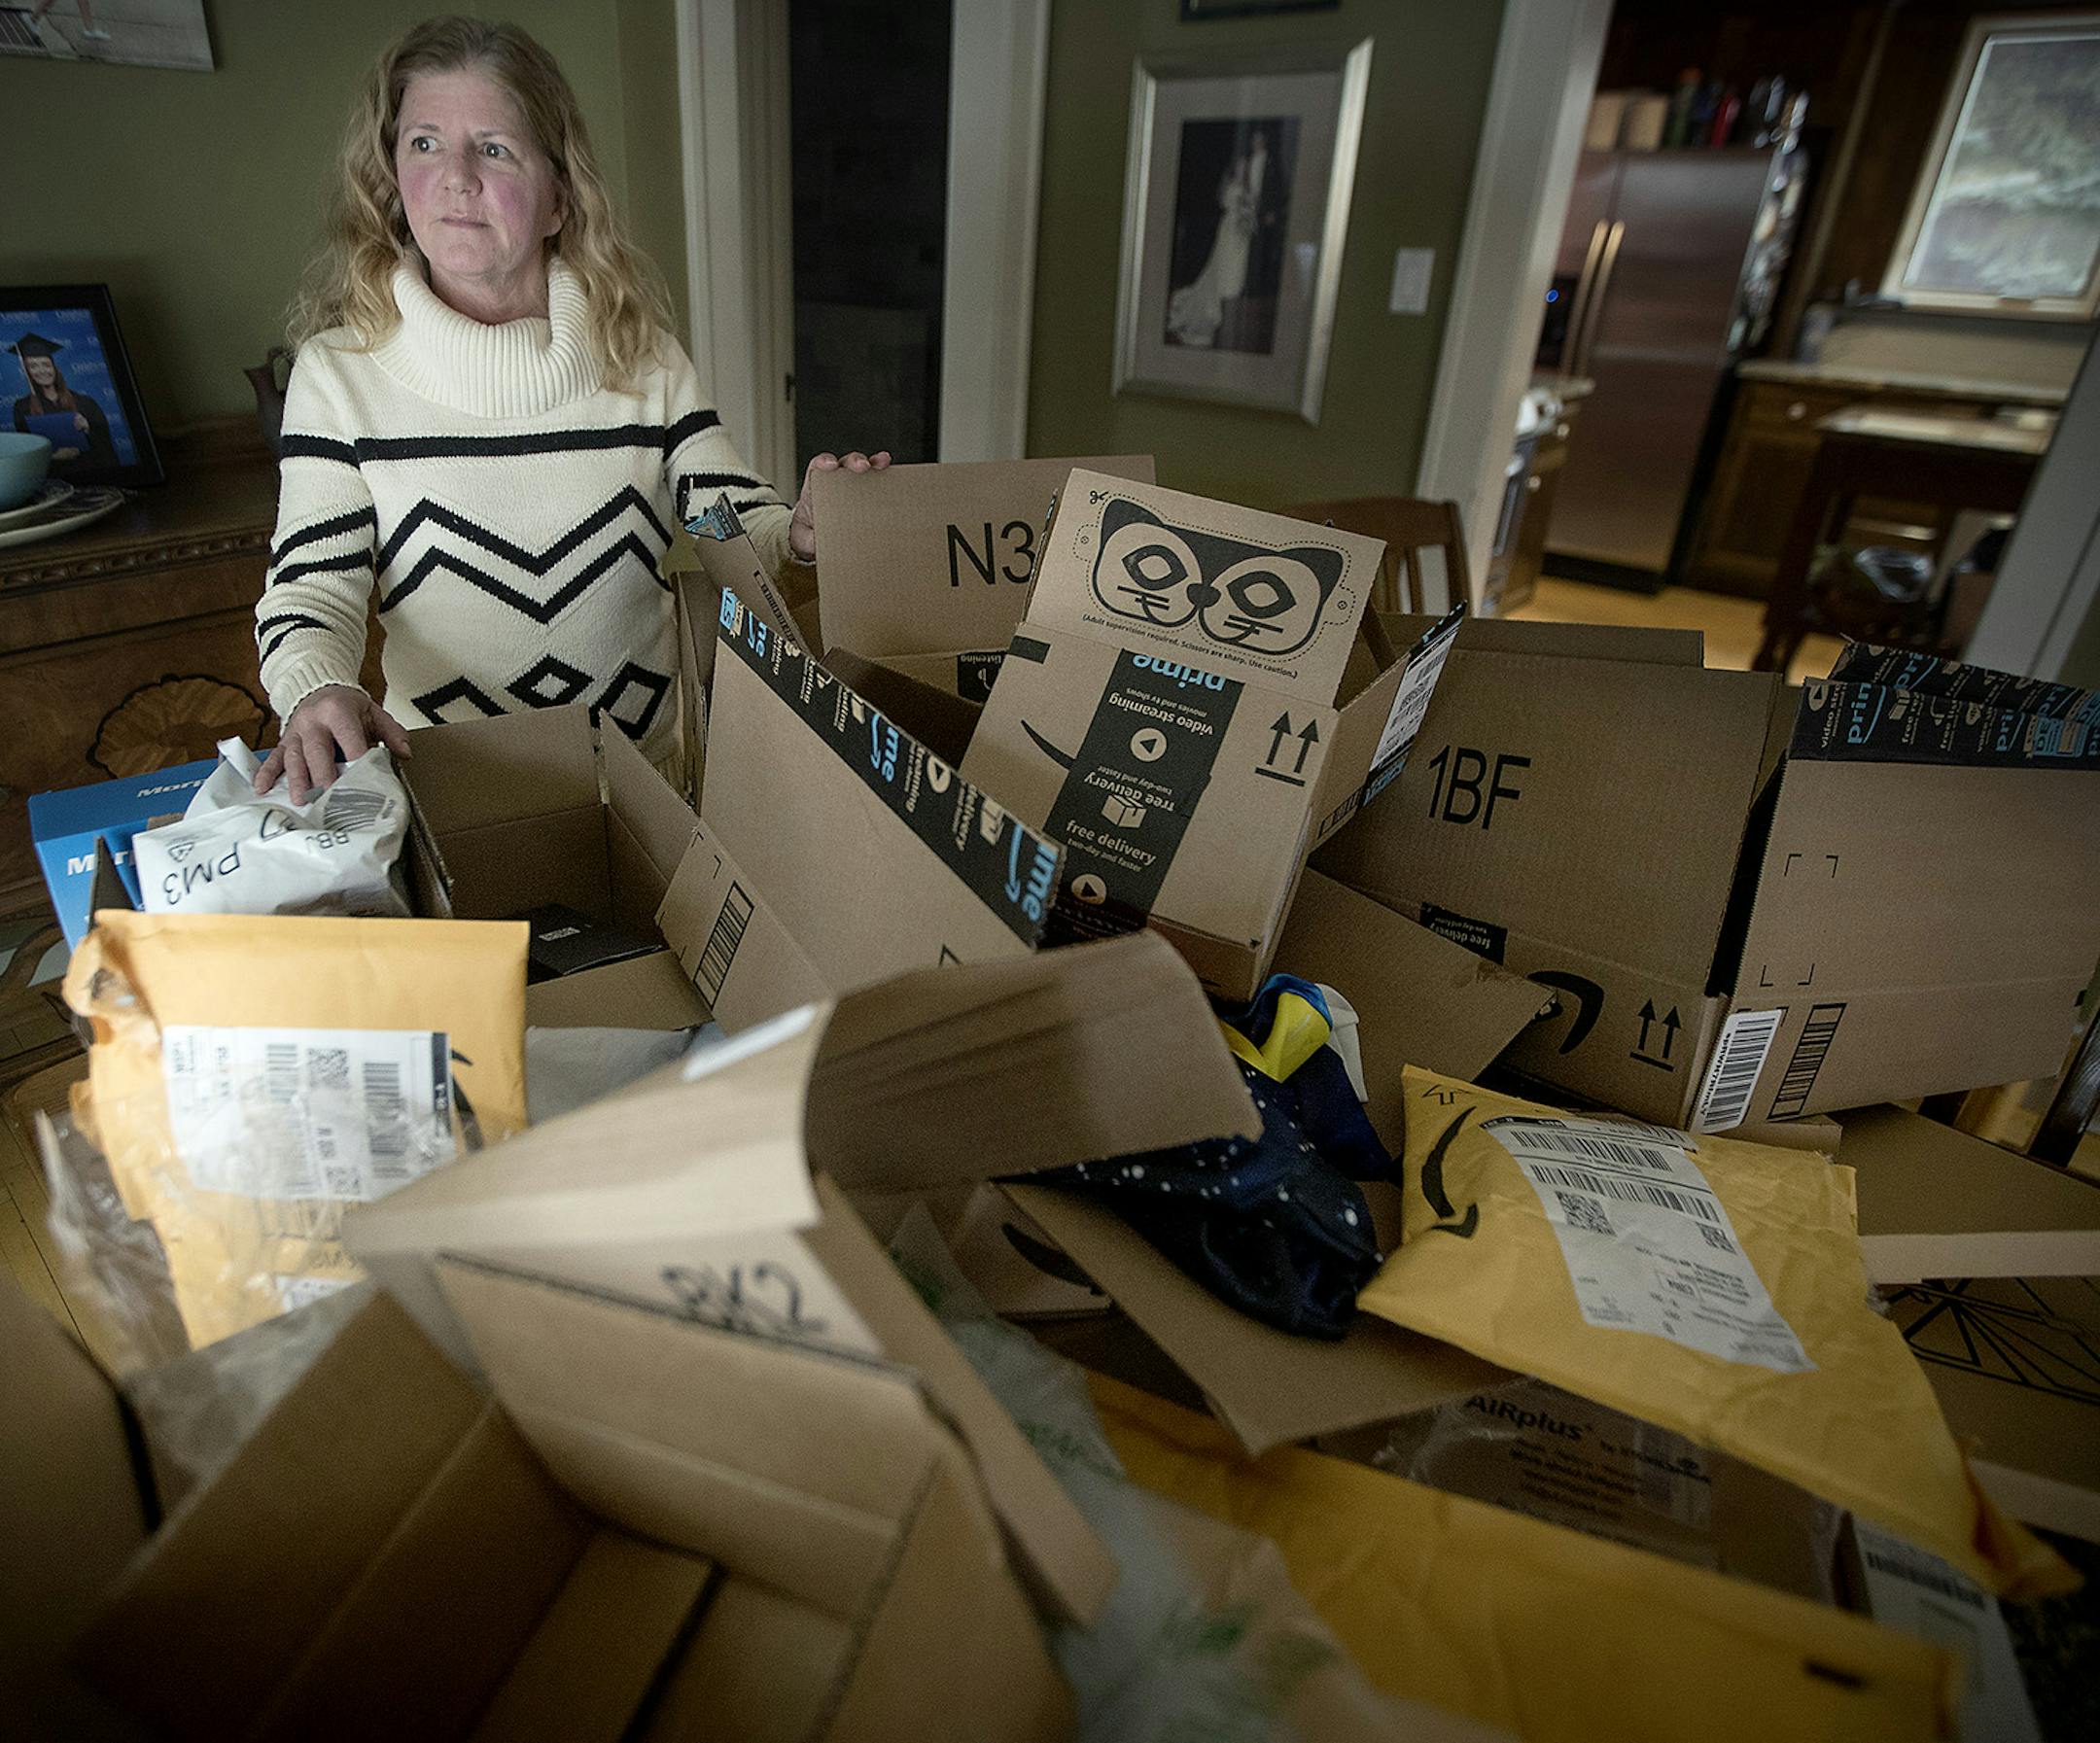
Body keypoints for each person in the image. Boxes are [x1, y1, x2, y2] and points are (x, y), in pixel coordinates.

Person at [254, 16, 887, 801]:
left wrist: (797, 531)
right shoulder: (338, 377)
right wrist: (315, 687)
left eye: (493, 147)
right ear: (390, 180)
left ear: (559, 198)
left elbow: (723, 518)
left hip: (651, 789)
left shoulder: (640, 354)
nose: (455, 176)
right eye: (423, 143)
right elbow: (313, 589)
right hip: (458, 794)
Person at [9, 333, 118, 468]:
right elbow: (26, 455)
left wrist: (88, 429)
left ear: (54, 368)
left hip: (89, 475)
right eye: (33, 366)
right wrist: (53, 457)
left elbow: (107, 449)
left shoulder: (85, 402)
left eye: (46, 365)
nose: (42, 370)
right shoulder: (22, 407)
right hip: (51, 481)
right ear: (27, 372)